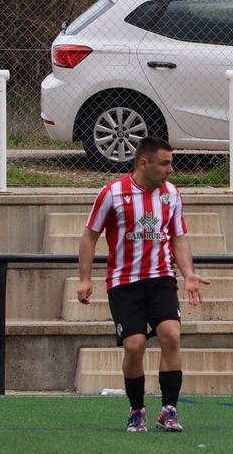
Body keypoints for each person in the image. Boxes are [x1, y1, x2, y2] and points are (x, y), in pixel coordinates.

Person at [77, 136, 208, 433]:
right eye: (165, 163)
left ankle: (169, 410)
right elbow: (89, 237)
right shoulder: (112, 194)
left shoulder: (172, 194)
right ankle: (137, 410)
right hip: (124, 283)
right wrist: (85, 278)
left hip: (161, 279)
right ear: (143, 163)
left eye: (171, 163)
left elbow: (178, 237)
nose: (170, 170)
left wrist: (188, 274)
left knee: (171, 336)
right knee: (134, 346)